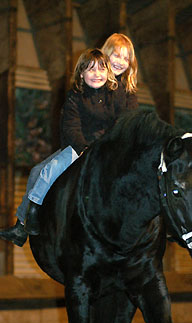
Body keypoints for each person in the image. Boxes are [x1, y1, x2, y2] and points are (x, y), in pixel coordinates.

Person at [0, 40, 138, 245]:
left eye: (101, 69)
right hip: (80, 145)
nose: (97, 73)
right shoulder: (76, 96)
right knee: (41, 171)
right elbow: (71, 127)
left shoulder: (118, 92)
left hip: (105, 146)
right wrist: (83, 148)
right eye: (91, 70)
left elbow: (123, 120)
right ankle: (26, 220)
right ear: (81, 74)